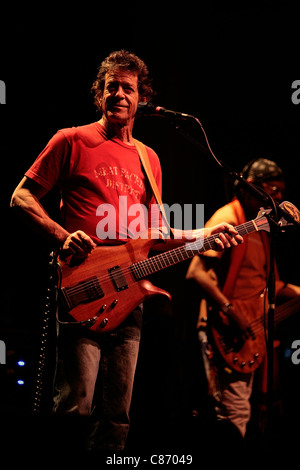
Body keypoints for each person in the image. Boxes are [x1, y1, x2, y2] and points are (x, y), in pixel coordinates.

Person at [10, 49, 243, 453]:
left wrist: (207, 234)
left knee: (118, 416)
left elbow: (155, 235)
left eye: (128, 88)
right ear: (98, 94)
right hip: (83, 285)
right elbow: (21, 197)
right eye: (111, 86)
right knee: (75, 410)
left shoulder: (148, 158)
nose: (119, 94)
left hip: (129, 294)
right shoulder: (71, 139)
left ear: (142, 98)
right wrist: (61, 235)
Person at [186, 157, 300, 441]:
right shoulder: (227, 218)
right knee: (231, 415)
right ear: (252, 189)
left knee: (241, 412)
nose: (279, 198)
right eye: (273, 190)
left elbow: (270, 282)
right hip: (225, 330)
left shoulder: (257, 226)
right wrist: (230, 311)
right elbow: (196, 273)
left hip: (249, 333)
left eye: (281, 192)